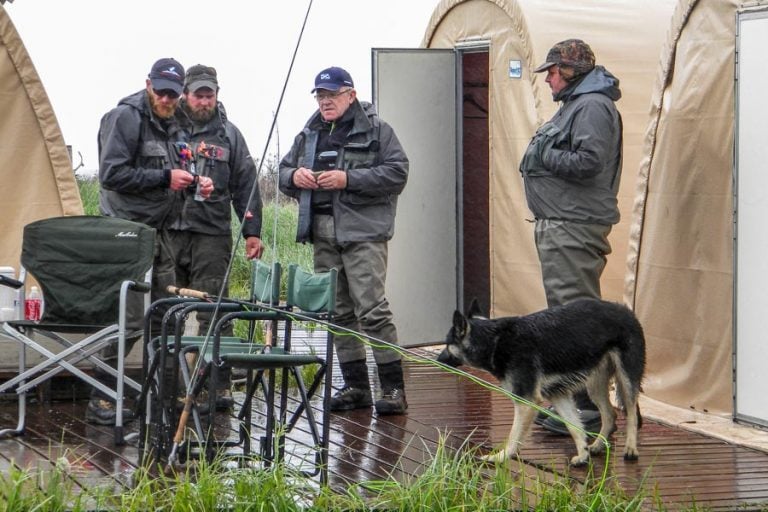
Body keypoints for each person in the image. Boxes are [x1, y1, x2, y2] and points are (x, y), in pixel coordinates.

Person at [278, 66, 409, 415]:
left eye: (331, 95)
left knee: (373, 310)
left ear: (350, 95)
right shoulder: (309, 134)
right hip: (322, 236)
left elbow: (398, 173)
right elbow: (282, 174)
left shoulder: (379, 131)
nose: (325, 102)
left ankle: (394, 389)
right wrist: (295, 175)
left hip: (364, 234)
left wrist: (347, 179)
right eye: (320, 96)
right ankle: (356, 387)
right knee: (337, 313)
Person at [95, 57, 214, 425]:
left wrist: (196, 182)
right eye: (161, 91)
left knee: (166, 311)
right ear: (148, 84)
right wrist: (165, 178)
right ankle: (102, 395)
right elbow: (112, 174)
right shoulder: (125, 117)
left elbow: (181, 168)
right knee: (128, 316)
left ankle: (166, 392)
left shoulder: (176, 123)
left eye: (173, 94)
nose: (166, 99)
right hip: (125, 231)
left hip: (161, 232)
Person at [519, 39, 623, 435]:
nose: (547, 79)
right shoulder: (577, 105)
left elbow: (589, 161)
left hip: (574, 225)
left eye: (552, 71)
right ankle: (578, 404)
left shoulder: (593, 106)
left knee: (577, 318)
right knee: (568, 316)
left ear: (571, 70)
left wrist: (544, 156)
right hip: (563, 223)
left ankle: (589, 411)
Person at [169, 64, 264, 409]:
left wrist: (252, 232)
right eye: (199, 94)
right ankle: (169, 388)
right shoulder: (167, 127)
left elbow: (247, 186)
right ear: (185, 94)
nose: (204, 100)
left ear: (217, 95)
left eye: (210, 94)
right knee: (168, 312)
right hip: (170, 233)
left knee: (215, 312)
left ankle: (216, 389)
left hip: (212, 236)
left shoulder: (230, 135)